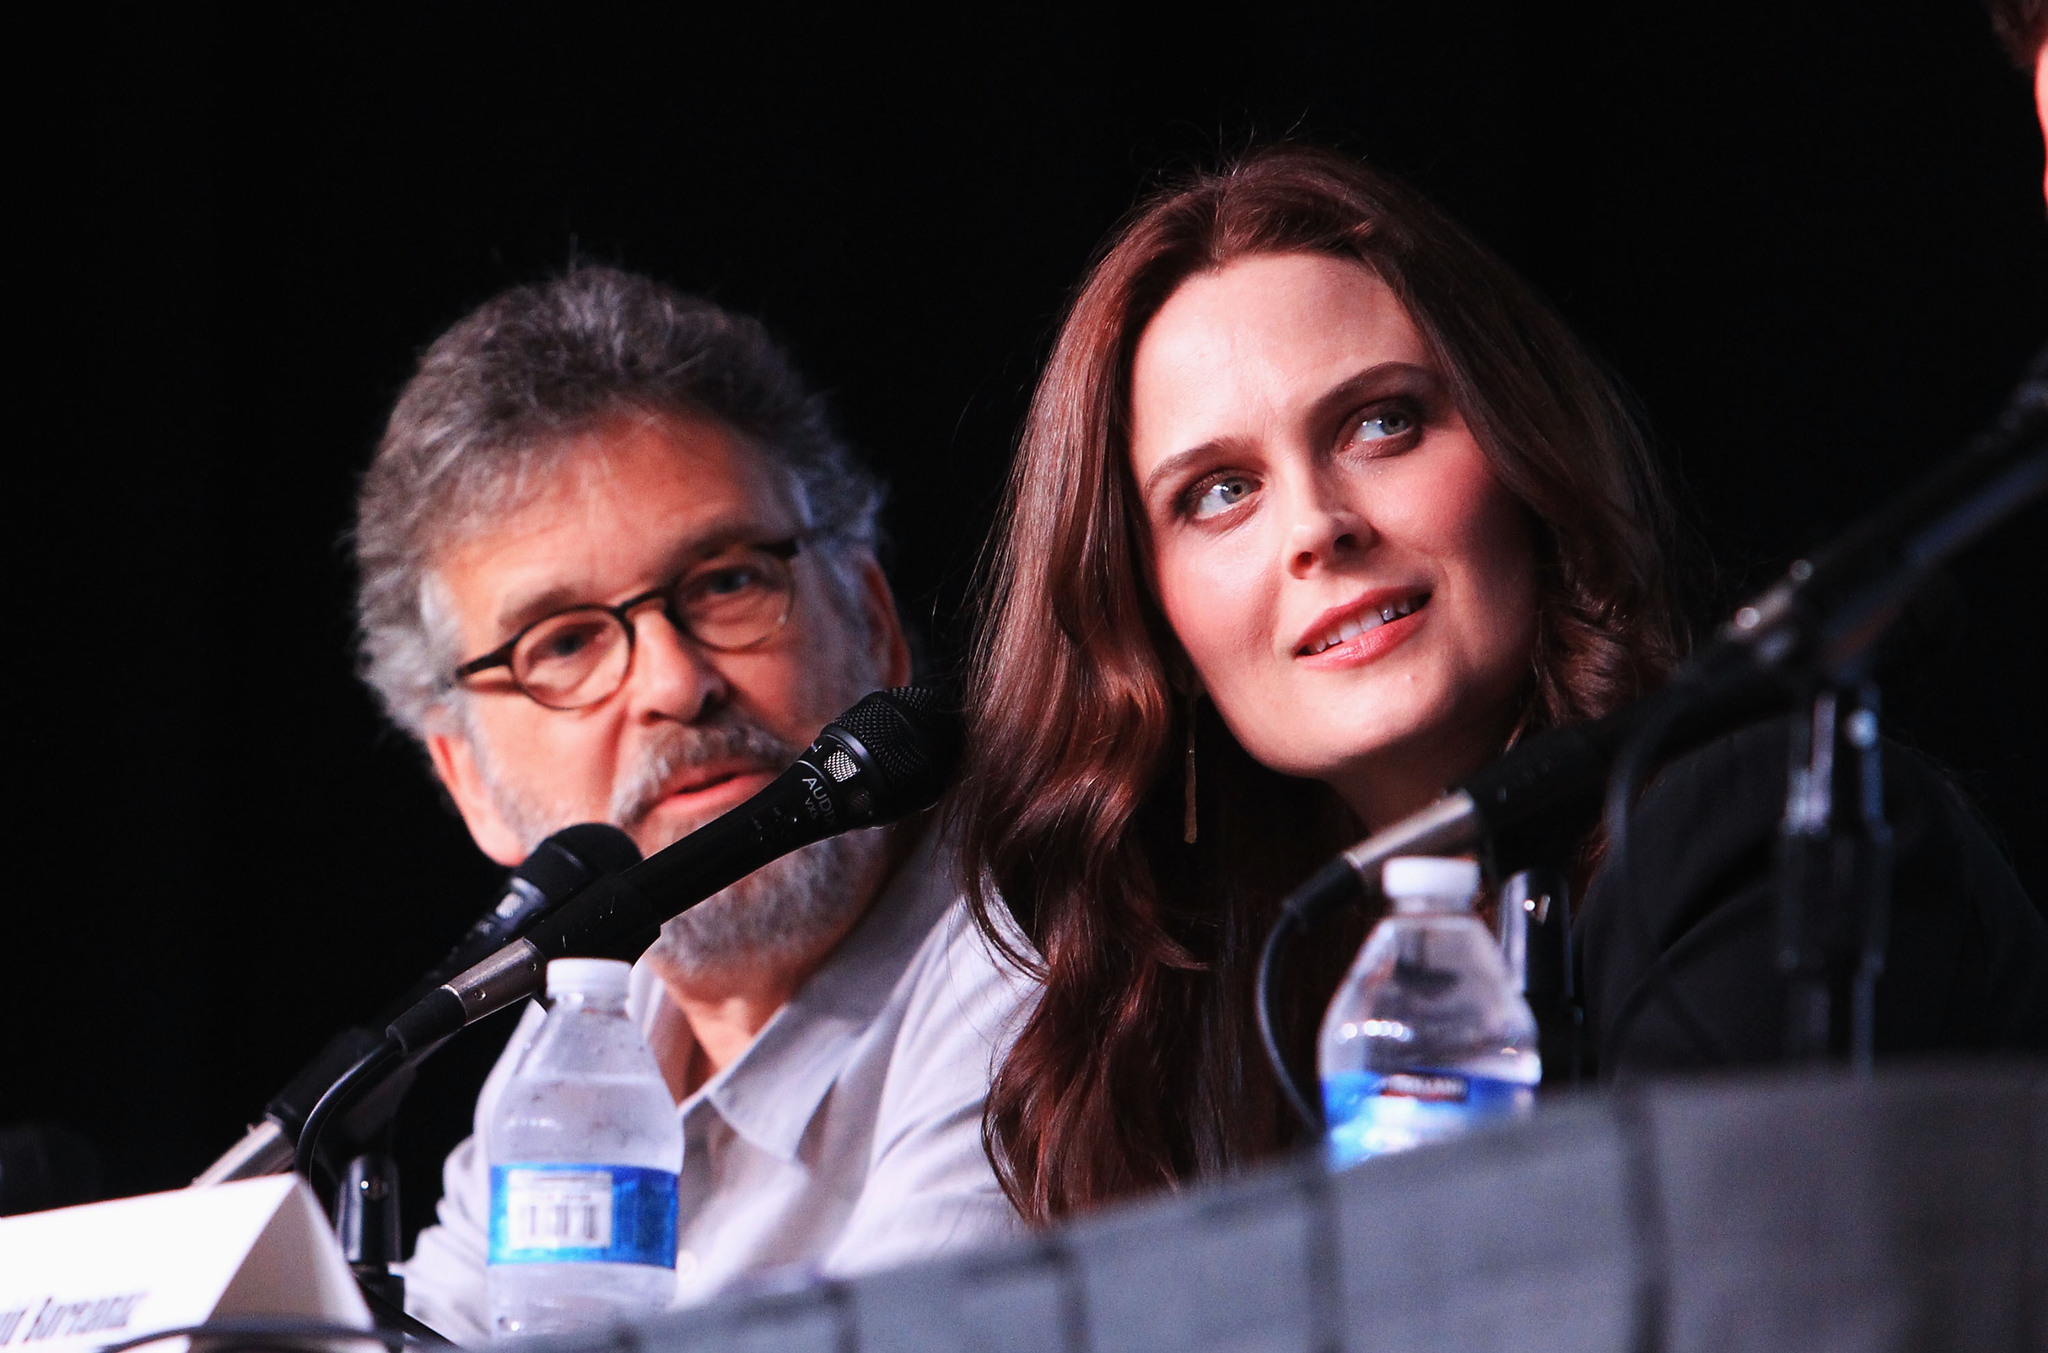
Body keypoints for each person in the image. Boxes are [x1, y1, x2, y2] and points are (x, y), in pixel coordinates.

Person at [950, 145, 2048, 1224]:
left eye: (1381, 422)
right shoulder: (1187, 1008)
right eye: (1219, 491)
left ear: (1526, 459)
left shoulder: (1747, 831)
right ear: (1147, 630)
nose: (1317, 526)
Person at [353, 266, 1033, 1340]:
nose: (673, 682)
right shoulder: (572, 1046)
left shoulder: (1033, 968)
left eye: (724, 582)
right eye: (565, 643)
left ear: (873, 623)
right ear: (469, 782)